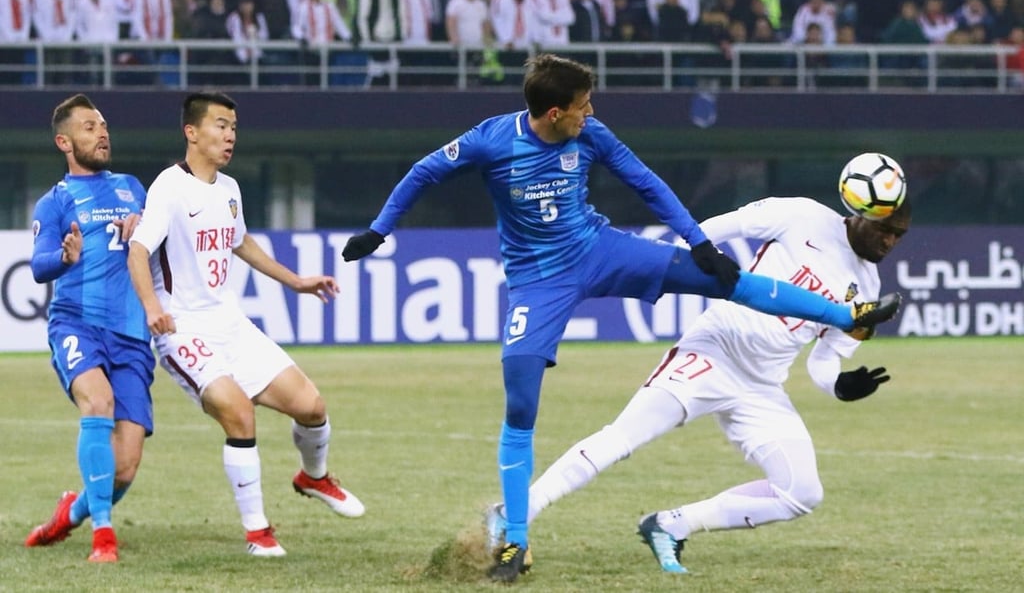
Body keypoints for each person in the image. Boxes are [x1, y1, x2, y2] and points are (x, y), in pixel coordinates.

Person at [340, 54, 901, 582]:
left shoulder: (591, 135)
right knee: (520, 397)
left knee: (725, 278)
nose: (593, 114)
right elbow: (423, 171)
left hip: (602, 249)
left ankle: (843, 312)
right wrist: (380, 229)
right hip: (541, 281)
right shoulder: (492, 140)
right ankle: (514, 535)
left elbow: (646, 182)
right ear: (555, 113)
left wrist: (698, 242)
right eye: (585, 105)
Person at [484, 194, 912, 575]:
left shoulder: (869, 289)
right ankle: (515, 511)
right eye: (885, 230)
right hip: (714, 351)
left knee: (802, 493)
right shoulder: (802, 215)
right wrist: (688, 261)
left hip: (763, 385)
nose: (890, 242)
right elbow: (717, 228)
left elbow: (824, 361)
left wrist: (839, 384)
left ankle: (671, 524)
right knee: (623, 437)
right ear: (860, 213)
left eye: (899, 235)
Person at [126, 91, 365, 557]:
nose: (230, 134)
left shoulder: (229, 189)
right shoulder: (168, 188)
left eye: (233, 126)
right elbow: (138, 249)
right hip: (184, 331)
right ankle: (258, 532)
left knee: (312, 407)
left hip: (230, 324)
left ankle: (312, 477)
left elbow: (240, 241)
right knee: (239, 413)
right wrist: (152, 306)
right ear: (191, 132)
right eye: (219, 124)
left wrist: (296, 282)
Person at [25, 94, 154, 563]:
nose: (102, 133)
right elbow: (38, 266)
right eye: (88, 127)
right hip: (76, 322)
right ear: (65, 141)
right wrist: (64, 257)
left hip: (133, 335)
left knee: (125, 467)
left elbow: (160, 242)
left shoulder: (133, 187)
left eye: (103, 125)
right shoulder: (55, 200)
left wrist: (144, 226)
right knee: (96, 400)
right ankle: (104, 536)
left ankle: (72, 512)